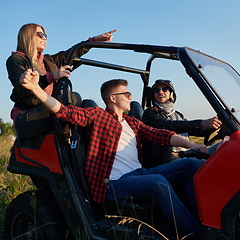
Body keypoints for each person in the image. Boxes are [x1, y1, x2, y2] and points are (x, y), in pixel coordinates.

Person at [20, 71, 207, 239]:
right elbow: (65, 111)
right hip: (112, 185)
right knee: (158, 183)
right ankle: (197, 235)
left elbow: (161, 135)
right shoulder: (98, 116)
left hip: (139, 174)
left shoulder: (132, 122)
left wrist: (192, 145)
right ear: (113, 98)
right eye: (126, 94)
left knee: (191, 165)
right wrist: (35, 88)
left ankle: (206, 223)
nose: (130, 97)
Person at [7, 23, 117, 138]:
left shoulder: (47, 61)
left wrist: (94, 41)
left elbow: (71, 53)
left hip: (48, 110)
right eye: (40, 34)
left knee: (84, 103)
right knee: (68, 100)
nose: (44, 37)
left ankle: (100, 143)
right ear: (27, 36)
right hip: (26, 116)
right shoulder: (16, 60)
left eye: (45, 35)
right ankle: (75, 149)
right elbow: (23, 89)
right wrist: (52, 76)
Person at [142, 79, 222, 168]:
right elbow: (169, 125)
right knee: (205, 165)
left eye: (165, 89)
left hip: (187, 153)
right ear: (153, 95)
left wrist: (216, 125)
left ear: (171, 94)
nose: (160, 92)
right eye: (157, 90)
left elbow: (192, 130)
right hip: (168, 159)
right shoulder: (150, 114)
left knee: (223, 148)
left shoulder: (177, 114)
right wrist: (202, 123)